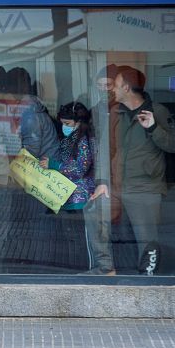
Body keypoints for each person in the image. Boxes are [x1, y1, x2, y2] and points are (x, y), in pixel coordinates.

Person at [89, 65, 175, 275]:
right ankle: (106, 269)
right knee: (95, 215)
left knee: (147, 237)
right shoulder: (115, 111)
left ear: (127, 87)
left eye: (117, 85)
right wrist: (102, 180)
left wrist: (152, 127)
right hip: (116, 184)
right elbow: (105, 149)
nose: (112, 89)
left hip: (145, 186)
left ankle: (148, 277)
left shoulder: (157, 111)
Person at [40, 102, 113, 273]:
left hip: (82, 195)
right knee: (77, 238)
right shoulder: (72, 137)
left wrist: (53, 164)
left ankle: (94, 269)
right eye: (62, 123)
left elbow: (80, 167)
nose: (64, 127)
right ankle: (83, 268)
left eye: (68, 124)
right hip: (70, 195)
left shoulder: (85, 139)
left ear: (79, 122)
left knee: (87, 238)